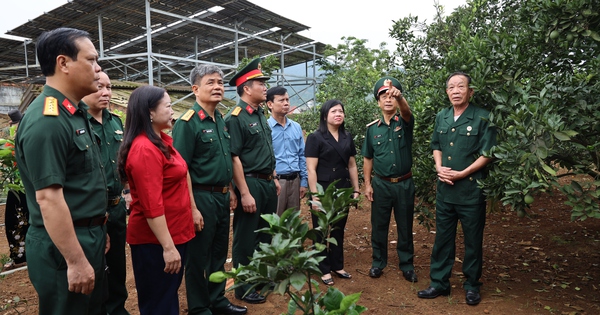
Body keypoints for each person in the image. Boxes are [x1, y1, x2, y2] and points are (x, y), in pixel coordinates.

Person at [14, 27, 108, 314]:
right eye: (91, 60)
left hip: (86, 235)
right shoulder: (48, 119)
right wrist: (77, 261)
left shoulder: (73, 113)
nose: (97, 68)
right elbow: (49, 199)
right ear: (63, 63)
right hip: (65, 246)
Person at [117, 85, 201, 315]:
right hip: (155, 242)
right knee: (159, 303)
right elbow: (151, 205)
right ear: (150, 112)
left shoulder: (161, 142)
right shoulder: (145, 149)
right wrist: (168, 247)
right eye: (168, 105)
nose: (172, 110)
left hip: (173, 233)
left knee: (167, 296)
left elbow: (182, 175)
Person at [172, 64, 247, 315]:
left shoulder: (220, 120)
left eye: (220, 82)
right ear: (195, 89)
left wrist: (232, 191)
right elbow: (181, 171)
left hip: (222, 196)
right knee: (197, 256)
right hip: (201, 197)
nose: (218, 87)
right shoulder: (188, 123)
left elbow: (225, 160)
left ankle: (218, 300)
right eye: (211, 82)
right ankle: (199, 307)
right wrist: (192, 208)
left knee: (217, 253)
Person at [417, 72, 496, 306]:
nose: (455, 91)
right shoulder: (442, 116)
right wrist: (439, 167)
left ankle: (472, 285)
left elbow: (488, 154)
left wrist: (463, 173)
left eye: (461, 86)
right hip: (445, 192)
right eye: (451, 87)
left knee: (472, 240)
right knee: (442, 239)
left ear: (470, 91)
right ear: (447, 92)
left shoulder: (482, 117)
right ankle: (439, 283)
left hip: (470, 192)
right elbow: (436, 146)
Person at [224, 57, 280, 304]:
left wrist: (274, 178)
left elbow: (266, 150)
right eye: (260, 82)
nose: (265, 86)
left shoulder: (258, 114)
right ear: (246, 88)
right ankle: (243, 287)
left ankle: (259, 278)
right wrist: (244, 192)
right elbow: (234, 157)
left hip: (267, 182)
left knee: (265, 234)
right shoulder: (235, 117)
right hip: (251, 183)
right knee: (246, 237)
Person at [82, 71, 130, 315]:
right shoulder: (78, 122)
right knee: (95, 270)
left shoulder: (115, 121)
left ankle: (118, 309)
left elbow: (121, 162)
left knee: (118, 266)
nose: (106, 93)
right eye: (99, 87)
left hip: (116, 206)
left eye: (109, 87)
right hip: (91, 210)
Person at [362, 77, 417, 282]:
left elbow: (407, 112)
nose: (387, 100)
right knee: (379, 225)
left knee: (405, 225)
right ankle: (378, 262)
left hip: (403, 183)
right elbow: (368, 157)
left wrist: (400, 98)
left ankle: (407, 264)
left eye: (391, 96)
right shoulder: (372, 129)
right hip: (381, 184)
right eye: (383, 97)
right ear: (378, 102)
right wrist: (367, 184)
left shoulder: (404, 122)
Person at [305, 99, 360, 286]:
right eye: (334, 111)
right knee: (321, 230)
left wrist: (356, 189)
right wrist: (314, 196)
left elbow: (352, 165)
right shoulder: (316, 137)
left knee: (338, 229)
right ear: (325, 115)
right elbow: (311, 169)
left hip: (343, 189)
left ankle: (337, 265)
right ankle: (323, 268)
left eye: (341, 111)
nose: (338, 114)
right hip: (323, 190)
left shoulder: (347, 136)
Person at [266, 86, 308, 215]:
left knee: (293, 222)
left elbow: (301, 155)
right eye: (281, 100)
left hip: (295, 180)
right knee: (276, 221)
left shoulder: (296, 127)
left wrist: (303, 182)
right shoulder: (266, 128)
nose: (286, 103)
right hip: (277, 181)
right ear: (270, 104)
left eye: (287, 100)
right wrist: (273, 180)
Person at [1, 109, 29, 273]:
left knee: (24, 220)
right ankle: (19, 256)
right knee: (14, 220)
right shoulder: (9, 143)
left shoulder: (26, 138)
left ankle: (24, 257)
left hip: (26, 186)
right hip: (16, 187)